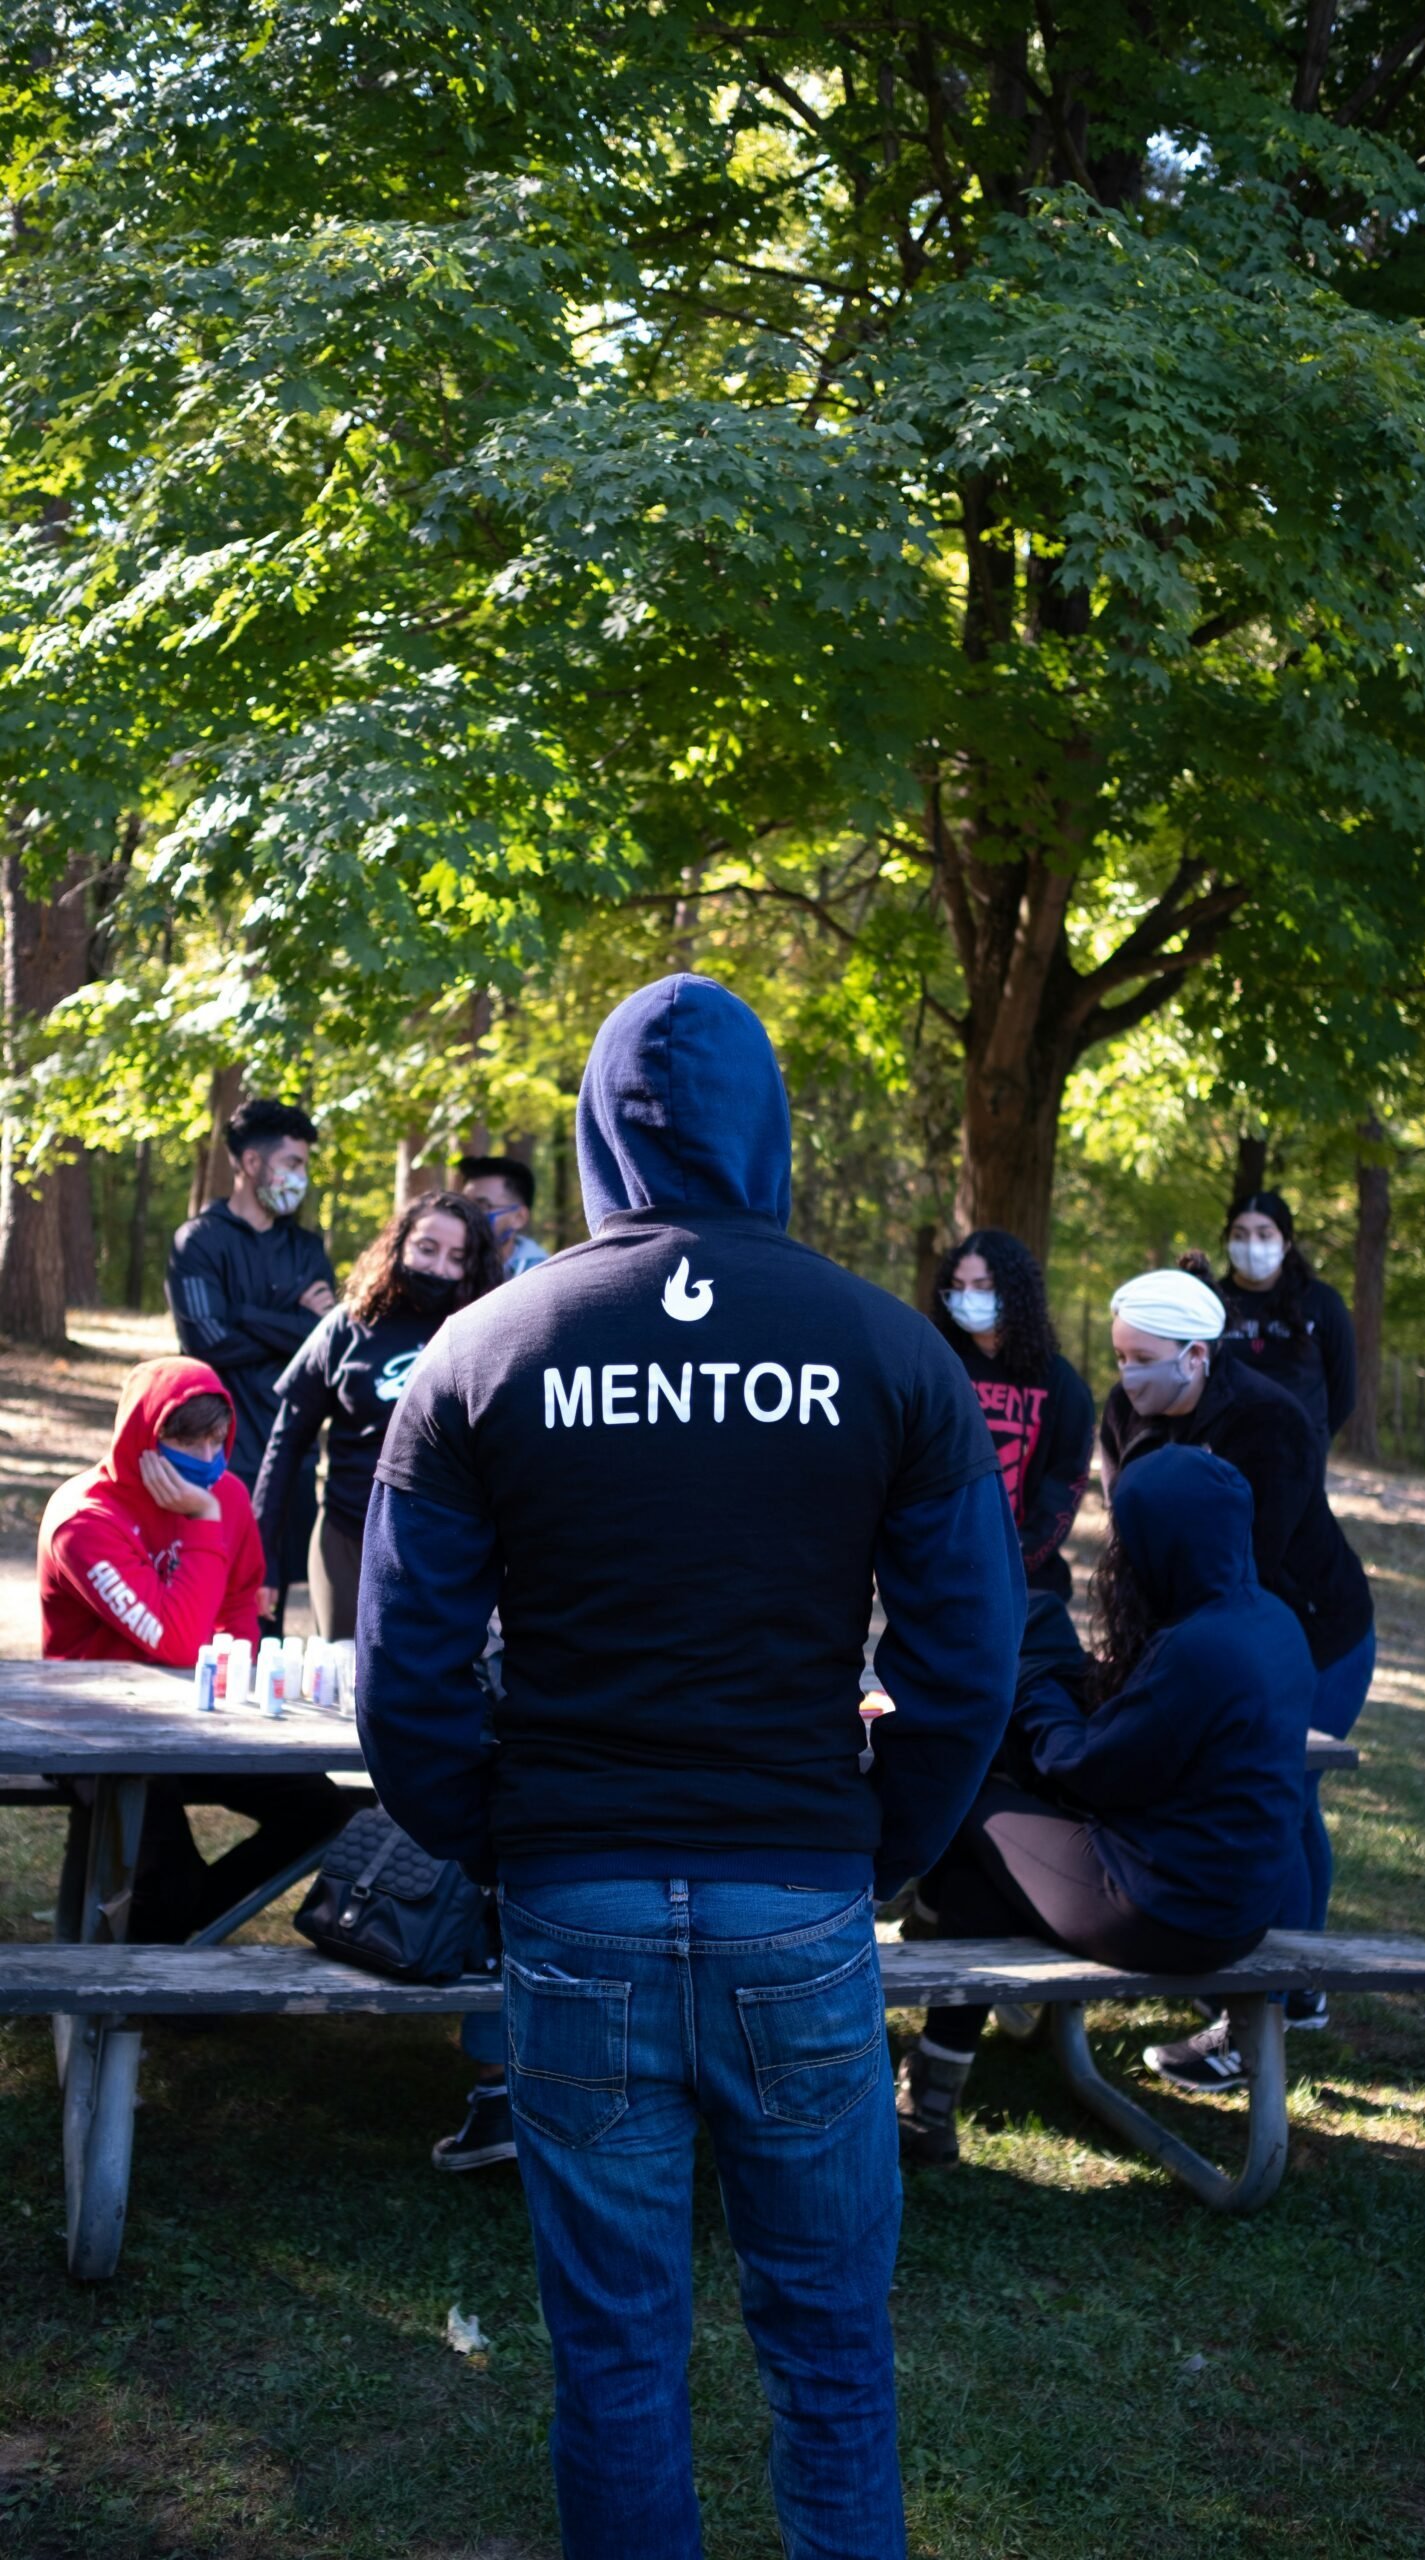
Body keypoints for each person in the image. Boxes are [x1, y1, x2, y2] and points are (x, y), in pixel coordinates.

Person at [358, 972, 1025, 2560]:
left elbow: (408, 1679)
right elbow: (965, 1664)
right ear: (770, 1128)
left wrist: (499, 1834)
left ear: (596, 1135)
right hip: (794, 1889)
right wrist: (880, 1848)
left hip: (581, 1897)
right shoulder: (888, 1351)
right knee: (832, 2359)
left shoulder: (482, 1349)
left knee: (615, 2361)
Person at [896, 1445, 1314, 2161]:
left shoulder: (1200, 1649)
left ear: (1162, 1540)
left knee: (977, 1816)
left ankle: (926, 1970)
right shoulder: (1270, 1621)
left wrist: (1031, 1689)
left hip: (1163, 1911)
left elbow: (1083, 1769)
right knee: (994, 1864)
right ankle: (928, 2094)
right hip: (1241, 1911)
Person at [1100, 1265, 1375, 2082]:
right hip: (1210, 1633)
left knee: (1282, 1798)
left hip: (1310, 1635)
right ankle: (1295, 1985)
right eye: (1117, 1356)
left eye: (1141, 1358)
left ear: (1194, 1357)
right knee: (1283, 1804)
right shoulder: (1125, 1412)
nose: (1125, 1376)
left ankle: (1259, 2019)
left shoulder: (1269, 1421)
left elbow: (1239, 1568)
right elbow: (1135, 1538)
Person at [38, 1357, 347, 1941]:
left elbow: (238, 1617)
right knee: (162, 1872)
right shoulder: (83, 1520)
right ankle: (167, 1948)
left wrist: (200, 1650)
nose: (206, 1460)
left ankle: (191, 1932)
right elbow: (180, 1640)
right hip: (96, 1734)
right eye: (184, 1440)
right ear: (141, 1437)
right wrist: (201, 1520)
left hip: (202, 1722)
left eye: (216, 1440)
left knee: (323, 1811)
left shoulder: (228, 1496)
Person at [251, 1191, 501, 1639]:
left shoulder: (486, 1334)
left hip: (446, 1547)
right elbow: (284, 1446)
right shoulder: (347, 1325)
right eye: (427, 1249)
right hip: (346, 1539)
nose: (439, 1267)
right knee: (346, 1683)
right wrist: (261, 1556)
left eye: (457, 1257)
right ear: (399, 1244)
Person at [166, 1098, 337, 1633]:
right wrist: (294, 1322)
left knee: (270, 1611)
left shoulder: (308, 1247)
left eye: (304, 1164)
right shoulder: (198, 1241)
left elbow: (327, 1341)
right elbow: (207, 1341)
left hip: (291, 1449)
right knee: (208, 1605)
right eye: (293, 1163)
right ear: (250, 1163)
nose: (300, 1176)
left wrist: (242, 1313)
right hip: (217, 1450)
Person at [933, 1228, 1094, 1598]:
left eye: (982, 1286)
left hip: (1027, 1585)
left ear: (1014, 1291)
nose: (967, 1298)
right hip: (939, 1569)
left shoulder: (1060, 1382)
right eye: (957, 1287)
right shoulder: (937, 1367)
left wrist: (1023, 1554)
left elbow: (1066, 1480)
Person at [1217, 1188, 1357, 1449]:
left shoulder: (1322, 1302)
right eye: (1240, 1235)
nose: (1252, 1246)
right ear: (1227, 1240)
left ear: (1286, 1242)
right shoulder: (1210, 1302)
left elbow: (1344, 1392)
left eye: (1264, 1234)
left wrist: (1312, 1440)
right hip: (1223, 1453)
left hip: (1298, 1455)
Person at [455, 1153, 548, 1277]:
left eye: (483, 1206)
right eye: (465, 1204)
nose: (468, 1214)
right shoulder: (441, 1263)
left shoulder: (542, 1275)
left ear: (519, 1218)